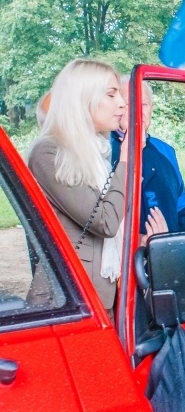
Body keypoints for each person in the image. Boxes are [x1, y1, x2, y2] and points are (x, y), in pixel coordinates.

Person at [27, 60, 165, 314]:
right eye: (111, 95)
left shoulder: (94, 151)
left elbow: (99, 234)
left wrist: (143, 240)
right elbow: (103, 221)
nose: (123, 104)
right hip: (71, 303)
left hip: (101, 298)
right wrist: (127, 157)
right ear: (83, 99)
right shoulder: (48, 152)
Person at [111, 77, 185, 233]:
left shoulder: (165, 151)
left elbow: (182, 209)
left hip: (168, 252)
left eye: (144, 104)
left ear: (151, 108)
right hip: (125, 254)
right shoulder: (104, 150)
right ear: (118, 108)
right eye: (130, 104)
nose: (138, 110)